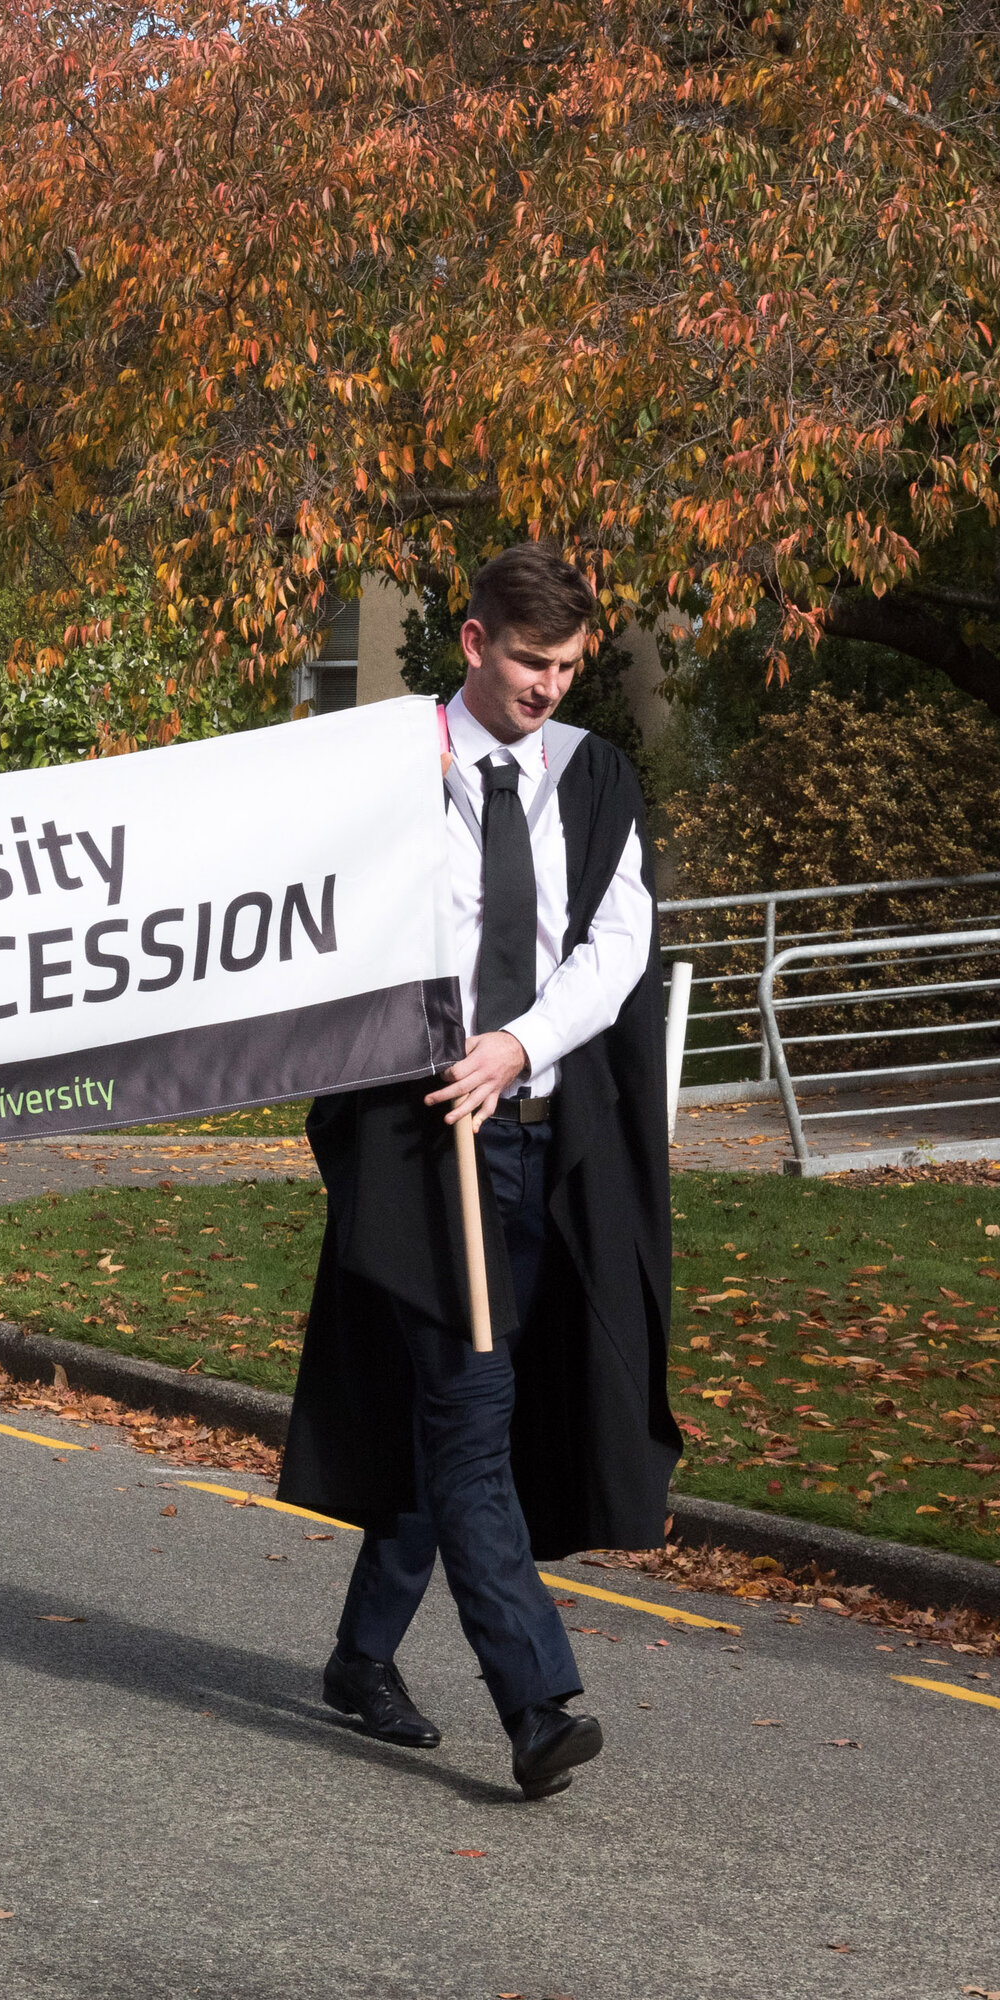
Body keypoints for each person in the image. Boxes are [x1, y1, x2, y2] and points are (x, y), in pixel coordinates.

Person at [282, 542, 671, 1801]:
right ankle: (538, 1700)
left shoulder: (590, 775)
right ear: (472, 642)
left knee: (454, 1399)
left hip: (544, 1133)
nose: (549, 687)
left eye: (566, 666)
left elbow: (616, 946)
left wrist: (518, 1044)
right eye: (527, 661)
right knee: (469, 1402)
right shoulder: (391, 769)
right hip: (415, 1135)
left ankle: (359, 1655)